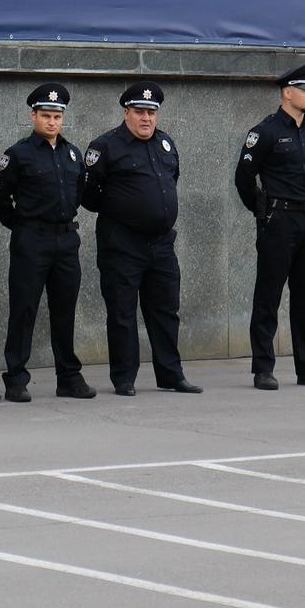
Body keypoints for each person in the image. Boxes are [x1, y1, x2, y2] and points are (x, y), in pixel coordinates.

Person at [81, 82, 201, 396]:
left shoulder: (165, 143)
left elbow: (171, 180)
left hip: (161, 244)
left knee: (166, 311)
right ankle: (124, 378)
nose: (146, 118)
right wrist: (124, 211)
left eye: (151, 112)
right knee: (122, 312)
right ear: (127, 113)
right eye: (139, 112)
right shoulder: (105, 146)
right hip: (122, 244)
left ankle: (171, 375)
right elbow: (89, 195)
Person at [235, 63, 305, 391]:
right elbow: (244, 177)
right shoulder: (266, 132)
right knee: (268, 295)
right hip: (279, 220)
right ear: (287, 93)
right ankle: (263, 367)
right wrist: (262, 210)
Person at [0, 82, 95, 402]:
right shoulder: (18, 154)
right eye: (46, 115)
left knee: (65, 310)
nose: (52, 122)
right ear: (33, 116)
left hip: (66, 241)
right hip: (31, 241)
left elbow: (78, 194)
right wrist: (23, 227)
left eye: (57, 117)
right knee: (24, 310)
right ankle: (16, 379)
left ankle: (68, 377)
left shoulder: (72, 153)